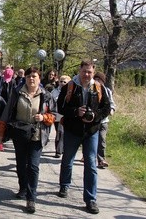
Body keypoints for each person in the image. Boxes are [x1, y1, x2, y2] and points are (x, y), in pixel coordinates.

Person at [0, 67, 56, 213]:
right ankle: (23, 187)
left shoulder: (46, 95)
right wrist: (1, 132)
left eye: (34, 76)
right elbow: (7, 112)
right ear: (25, 78)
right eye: (29, 76)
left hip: (37, 134)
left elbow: (54, 115)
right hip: (20, 134)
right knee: (21, 164)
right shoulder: (17, 92)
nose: (31, 78)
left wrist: (44, 117)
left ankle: (31, 198)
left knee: (33, 166)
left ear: (39, 78)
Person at [56, 60, 111, 215]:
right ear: (79, 70)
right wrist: (75, 112)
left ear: (93, 73)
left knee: (91, 165)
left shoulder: (99, 88)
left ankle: (91, 199)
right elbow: (60, 106)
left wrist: (95, 115)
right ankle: (64, 185)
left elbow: (106, 108)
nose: (87, 74)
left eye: (90, 72)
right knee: (68, 160)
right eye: (84, 71)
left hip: (91, 131)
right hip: (73, 130)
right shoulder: (70, 87)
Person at [93, 72, 116, 169]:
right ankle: (87, 156)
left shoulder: (107, 91)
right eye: (96, 79)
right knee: (91, 140)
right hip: (93, 121)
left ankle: (101, 160)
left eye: (100, 80)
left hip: (103, 121)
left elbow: (111, 103)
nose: (98, 82)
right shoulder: (91, 89)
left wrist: (111, 110)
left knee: (102, 140)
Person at [51, 75, 71, 158]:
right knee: (59, 132)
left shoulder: (71, 91)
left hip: (68, 115)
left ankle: (64, 149)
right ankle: (58, 151)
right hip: (57, 114)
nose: (62, 83)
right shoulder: (54, 92)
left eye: (64, 82)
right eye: (61, 81)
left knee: (66, 133)